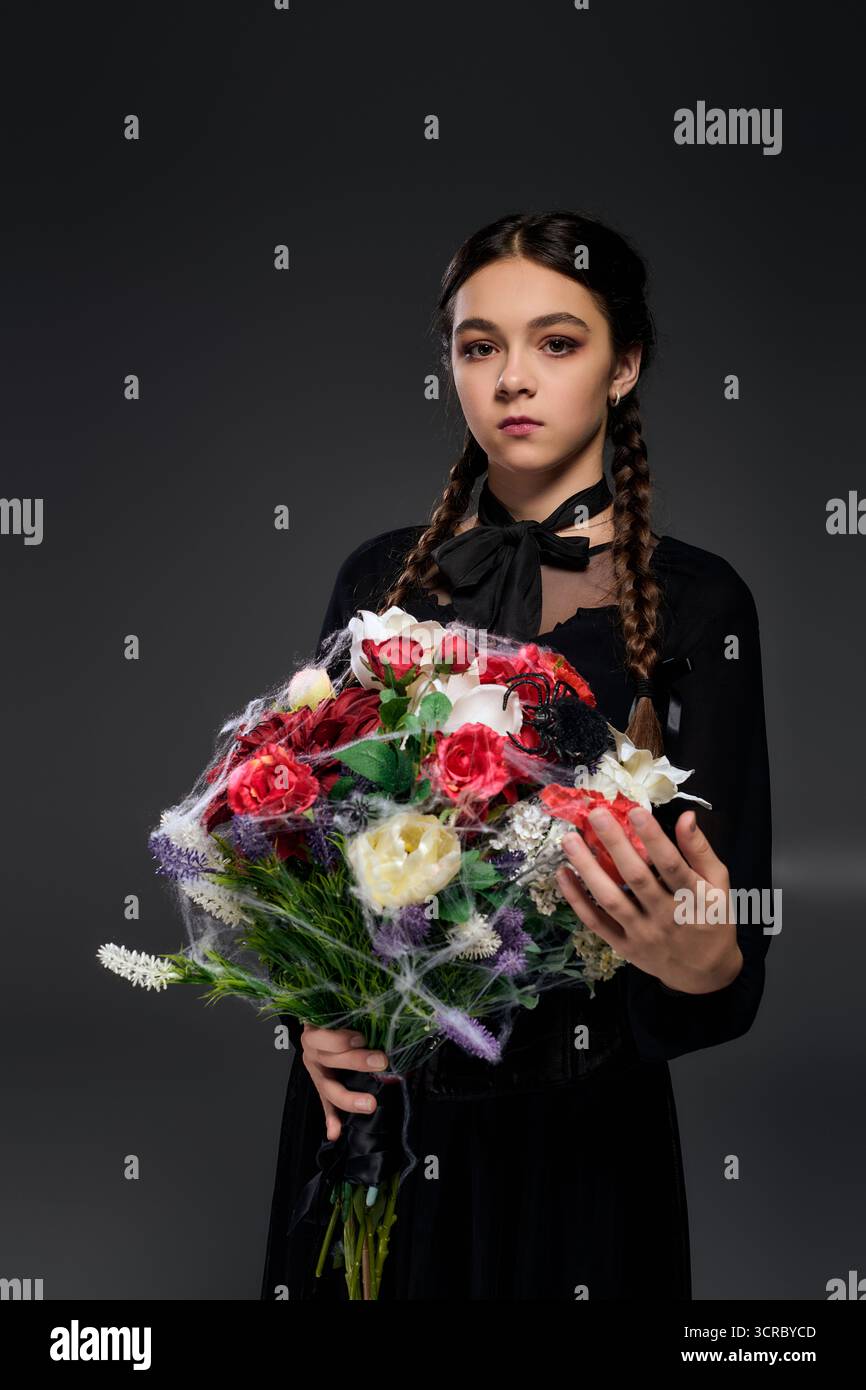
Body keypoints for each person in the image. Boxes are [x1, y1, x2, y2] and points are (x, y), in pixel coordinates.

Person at [260, 209, 774, 1301]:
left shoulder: (700, 604)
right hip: (382, 1111)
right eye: (477, 345)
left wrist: (700, 958)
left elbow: (726, 938)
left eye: (557, 341)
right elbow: (305, 848)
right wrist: (310, 1014)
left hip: (575, 1133)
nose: (510, 380)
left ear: (622, 364)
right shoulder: (379, 581)